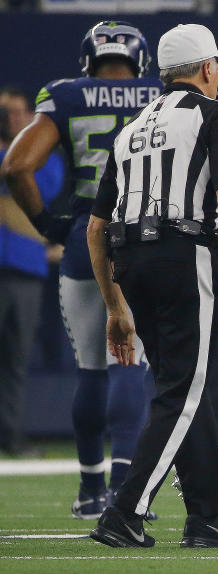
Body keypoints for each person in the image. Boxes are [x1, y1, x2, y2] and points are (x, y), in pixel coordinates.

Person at [87, 24, 218, 549]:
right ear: (209, 69)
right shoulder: (215, 114)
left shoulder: (131, 128)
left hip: (130, 259)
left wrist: (114, 305)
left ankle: (208, 517)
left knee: (184, 389)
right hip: (183, 252)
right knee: (182, 393)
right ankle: (124, 511)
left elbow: (97, 229)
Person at [0, 21, 159, 518]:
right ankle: (125, 493)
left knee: (92, 368)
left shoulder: (68, 95)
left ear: (89, 60)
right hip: (143, 236)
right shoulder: (159, 96)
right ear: (141, 60)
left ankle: (91, 491)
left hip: (83, 239)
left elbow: (16, 165)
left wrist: (48, 223)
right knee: (129, 363)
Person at [0, 99, 64, 455]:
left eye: (18, 111)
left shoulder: (44, 158)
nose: (12, 118)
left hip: (26, 272)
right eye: (5, 113)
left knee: (16, 361)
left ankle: (10, 438)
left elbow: (42, 181)